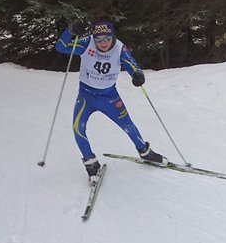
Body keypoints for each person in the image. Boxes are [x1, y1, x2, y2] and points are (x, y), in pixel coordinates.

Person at [54, 18, 165, 182]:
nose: (103, 43)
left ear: (113, 36)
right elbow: (61, 47)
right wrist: (70, 31)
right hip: (86, 96)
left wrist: (137, 74)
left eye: (107, 38)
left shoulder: (120, 48)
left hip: (109, 97)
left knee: (128, 125)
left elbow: (131, 63)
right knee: (78, 128)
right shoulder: (86, 44)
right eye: (99, 40)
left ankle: (145, 152)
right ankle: (91, 164)